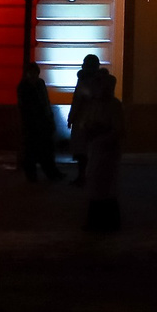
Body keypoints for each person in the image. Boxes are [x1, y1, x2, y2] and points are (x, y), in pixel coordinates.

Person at [76, 67, 126, 232]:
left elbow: (117, 129)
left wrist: (100, 133)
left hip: (107, 151)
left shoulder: (113, 105)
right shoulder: (96, 104)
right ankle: (97, 222)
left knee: (106, 187)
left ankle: (107, 222)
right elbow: (85, 122)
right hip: (97, 149)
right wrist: (89, 130)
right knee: (97, 187)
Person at [17, 69, 61, 180]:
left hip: (36, 121)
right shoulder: (37, 84)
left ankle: (37, 174)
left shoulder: (27, 85)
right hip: (37, 121)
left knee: (34, 149)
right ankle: (48, 172)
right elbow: (44, 101)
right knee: (41, 148)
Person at [67, 54, 103, 187]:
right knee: (90, 152)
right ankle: (90, 177)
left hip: (83, 121)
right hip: (94, 120)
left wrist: (71, 117)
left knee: (82, 152)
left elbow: (77, 100)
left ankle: (83, 177)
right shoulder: (99, 81)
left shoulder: (83, 80)